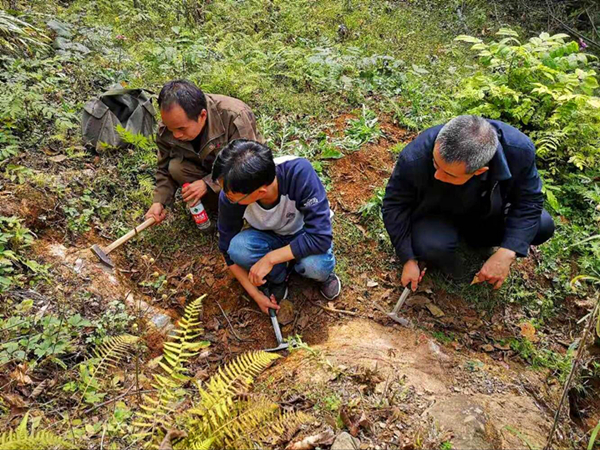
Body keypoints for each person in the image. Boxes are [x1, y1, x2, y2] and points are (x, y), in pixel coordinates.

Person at [382, 115, 555, 291]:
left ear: (480, 171)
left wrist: (508, 251)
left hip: (488, 215)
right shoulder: (415, 156)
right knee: (429, 246)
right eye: (435, 164)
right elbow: (394, 204)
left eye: (449, 174)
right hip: (438, 215)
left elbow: (529, 201)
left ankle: (479, 243)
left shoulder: (518, 151)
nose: (437, 176)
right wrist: (408, 258)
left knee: (543, 226)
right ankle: (446, 247)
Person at [211, 139, 341, 314]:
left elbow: (320, 237)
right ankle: (279, 277)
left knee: (316, 266)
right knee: (239, 248)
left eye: (234, 197)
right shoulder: (230, 195)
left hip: (304, 233)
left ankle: (323, 276)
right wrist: (256, 295)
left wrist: (269, 259)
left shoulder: (299, 174)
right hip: (270, 235)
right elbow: (227, 250)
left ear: (260, 193)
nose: (227, 197)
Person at [145, 80, 262, 227]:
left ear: (202, 115)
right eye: (171, 129)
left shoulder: (234, 116)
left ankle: (246, 214)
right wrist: (159, 202)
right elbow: (164, 168)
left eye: (181, 129)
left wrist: (207, 183)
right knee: (176, 167)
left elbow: (248, 165)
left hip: (241, 174)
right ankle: (218, 210)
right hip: (208, 172)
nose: (175, 135)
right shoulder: (169, 127)